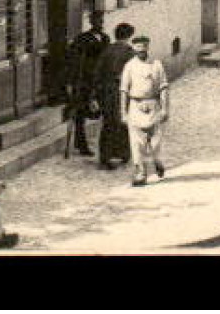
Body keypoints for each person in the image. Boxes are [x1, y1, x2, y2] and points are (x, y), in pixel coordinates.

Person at [119, 34, 170, 187]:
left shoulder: (156, 65)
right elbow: (124, 90)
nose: (141, 50)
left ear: (148, 48)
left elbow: (164, 88)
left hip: (153, 105)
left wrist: (165, 108)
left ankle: (157, 161)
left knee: (155, 142)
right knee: (136, 142)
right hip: (135, 106)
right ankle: (140, 172)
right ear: (134, 49)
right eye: (138, 48)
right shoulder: (129, 66)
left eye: (144, 47)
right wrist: (123, 112)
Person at [65, 10, 109, 157]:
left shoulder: (105, 38)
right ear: (91, 22)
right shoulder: (82, 39)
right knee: (81, 113)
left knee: (101, 111)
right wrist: (72, 82)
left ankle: (106, 145)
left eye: (102, 21)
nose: (100, 23)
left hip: (100, 81)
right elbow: (75, 61)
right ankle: (81, 143)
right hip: (85, 80)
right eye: (97, 21)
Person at [94, 22, 137, 170]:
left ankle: (105, 156)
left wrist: (96, 94)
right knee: (123, 122)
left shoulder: (107, 50)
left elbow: (97, 72)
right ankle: (123, 153)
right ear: (129, 36)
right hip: (122, 92)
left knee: (108, 122)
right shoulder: (129, 52)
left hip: (107, 91)